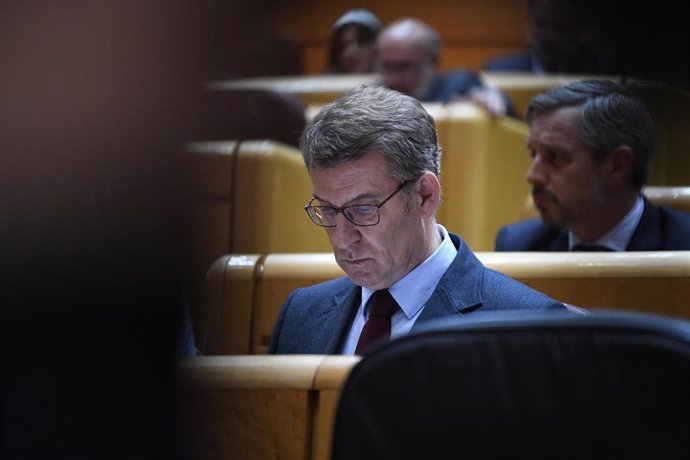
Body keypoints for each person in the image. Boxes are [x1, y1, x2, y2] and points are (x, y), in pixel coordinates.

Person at [267, 85, 565, 355]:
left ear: (424, 195)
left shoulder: (530, 327)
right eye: (328, 210)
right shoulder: (299, 314)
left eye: (364, 209)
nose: (342, 239)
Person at [495, 80, 690, 252]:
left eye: (554, 156)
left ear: (617, 166)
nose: (532, 176)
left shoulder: (683, 245)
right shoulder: (517, 245)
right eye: (533, 154)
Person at [377, 18, 517, 117]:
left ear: (433, 61)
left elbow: (499, 108)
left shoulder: (461, 85)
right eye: (387, 67)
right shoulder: (373, 94)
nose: (393, 79)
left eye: (404, 67)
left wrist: (495, 100)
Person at [327, 8, 383, 74]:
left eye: (362, 42)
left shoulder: (394, 82)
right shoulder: (325, 83)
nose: (350, 53)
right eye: (342, 46)